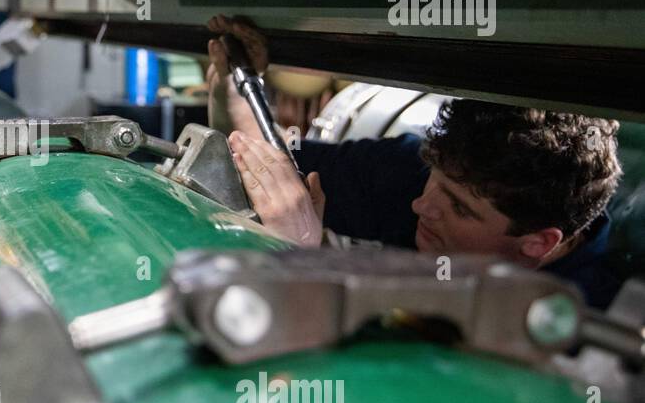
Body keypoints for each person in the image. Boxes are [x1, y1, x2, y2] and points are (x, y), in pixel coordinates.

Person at [206, 17, 624, 309]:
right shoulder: (414, 174)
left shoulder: (581, 324)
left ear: (538, 243)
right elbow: (266, 166)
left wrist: (298, 257)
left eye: (461, 208)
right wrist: (239, 86)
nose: (422, 206)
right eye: (434, 180)